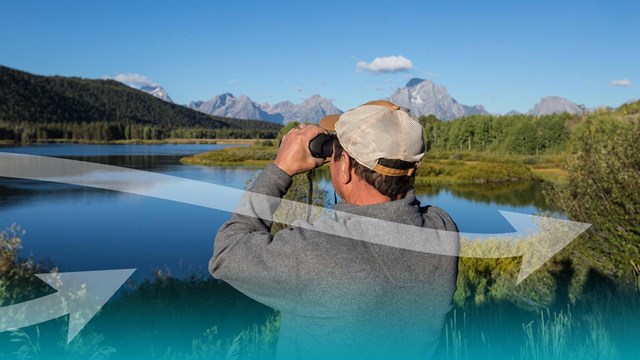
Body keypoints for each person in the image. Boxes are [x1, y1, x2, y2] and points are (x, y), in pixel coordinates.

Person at [210, 100, 460, 360]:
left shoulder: (314, 252)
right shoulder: (442, 230)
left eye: (335, 152)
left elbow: (226, 253)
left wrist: (280, 169)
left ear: (346, 167)